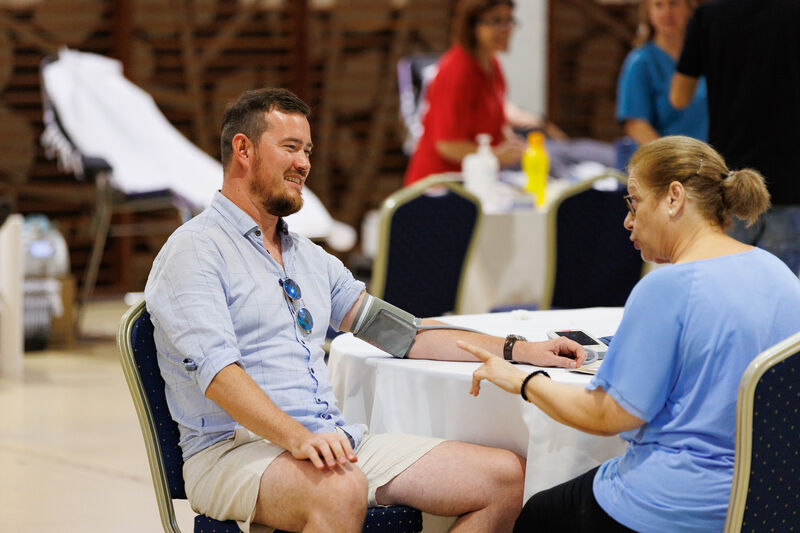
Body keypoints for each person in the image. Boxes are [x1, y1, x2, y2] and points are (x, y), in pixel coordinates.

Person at [145, 87, 588, 533]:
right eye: (291, 148)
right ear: (243, 149)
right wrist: (298, 438)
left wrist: (519, 350)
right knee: (340, 487)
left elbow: (406, 335)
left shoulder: (308, 258)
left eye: (308, 151)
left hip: (331, 443)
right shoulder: (195, 251)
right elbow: (220, 374)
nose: (304, 163)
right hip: (232, 452)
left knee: (507, 478)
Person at [458, 136, 800, 532]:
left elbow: (607, 415)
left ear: (674, 198)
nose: (628, 221)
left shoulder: (667, 288)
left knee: (537, 513)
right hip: (769, 502)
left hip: (674, 504)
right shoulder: (779, 273)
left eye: (634, 203)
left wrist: (522, 380)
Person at [670, 0, 800, 275]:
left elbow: (679, 97)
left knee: (727, 287)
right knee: (781, 294)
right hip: (791, 180)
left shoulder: (709, 16)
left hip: (729, 179)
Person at [403, 0, 569, 186]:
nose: (506, 29)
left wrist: (510, 143)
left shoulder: (493, 66)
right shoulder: (457, 70)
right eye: (496, 21)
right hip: (441, 188)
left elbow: (496, 120)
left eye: (509, 20)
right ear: (472, 25)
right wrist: (496, 155)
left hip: (478, 184)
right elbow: (446, 145)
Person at [615, 0, 707, 147]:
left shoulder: (707, 57)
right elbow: (637, 126)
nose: (667, 13)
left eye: (674, 3)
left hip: (708, 161)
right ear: (648, 13)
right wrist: (672, 163)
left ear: (690, 8)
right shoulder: (640, 62)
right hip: (664, 163)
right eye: (658, 5)